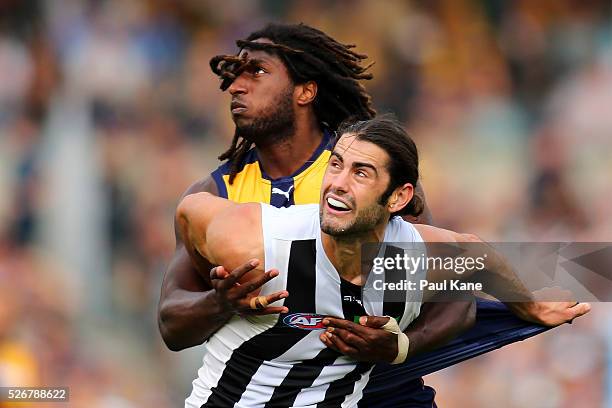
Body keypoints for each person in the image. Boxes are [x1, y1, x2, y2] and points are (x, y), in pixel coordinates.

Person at [158, 22, 475, 406]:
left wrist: (399, 346)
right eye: (235, 75)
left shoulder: (367, 178)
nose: (236, 87)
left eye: (256, 71)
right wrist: (220, 303)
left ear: (306, 90)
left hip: (383, 394)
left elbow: (457, 297)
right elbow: (171, 326)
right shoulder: (215, 196)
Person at [176, 116, 589, 407]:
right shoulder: (263, 243)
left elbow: (478, 258)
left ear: (398, 198)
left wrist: (530, 307)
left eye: (361, 173)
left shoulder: (404, 261)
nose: (337, 182)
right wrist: (220, 296)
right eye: (335, 164)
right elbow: (190, 211)